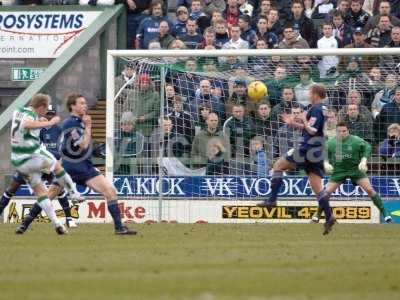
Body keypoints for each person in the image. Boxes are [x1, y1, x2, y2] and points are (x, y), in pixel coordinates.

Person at [18, 94, 137, 235]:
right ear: (72, 106)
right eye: (81, 103)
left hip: (74, 165)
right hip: (77, 166)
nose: (85, 105)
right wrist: (89, 126)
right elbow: (83, 144)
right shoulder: (71, 123)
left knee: (50, 195)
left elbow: (70, 147)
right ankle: (119, 227)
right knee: (109, 192)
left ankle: (24, 225)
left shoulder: (76, 122)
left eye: (85, 103)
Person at [258, 85, 335, 235]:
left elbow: (311, 130)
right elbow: (312, 129)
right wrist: (293, 123)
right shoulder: (323, 109)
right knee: (318, 189)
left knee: (278, 166)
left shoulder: (316, 109)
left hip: (307, 148)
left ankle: (272, 200)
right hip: (318, 151)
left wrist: (303, 120)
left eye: (310, 92)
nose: (308, 95)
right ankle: (329, 216)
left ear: (316, 94)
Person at [10, 94, 85, 235]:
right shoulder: (60, 122)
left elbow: (24, 124)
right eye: (45, 110)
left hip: (18, 160)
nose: (46, 114)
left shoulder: (18, 111)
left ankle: (57, 223)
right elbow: (27, 124)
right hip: (32, 154)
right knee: (58, 168)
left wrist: (39, 119)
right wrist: (49, 122)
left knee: (42, 193)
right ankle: (74, 193)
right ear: (41, 106)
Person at [317, 122, 392, 225]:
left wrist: (363, 160)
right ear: (336, 131)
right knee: (326, 193)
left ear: (348, 131)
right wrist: (325, 162)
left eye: (344, 131)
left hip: (355, 170)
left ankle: (386, 214)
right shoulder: (331, 143)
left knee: (370, 190)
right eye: (339, 131)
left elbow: (368, 147)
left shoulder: (356, 140)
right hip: (339, 171)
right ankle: (317, 216)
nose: (342, 133)